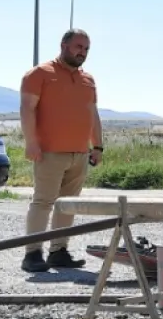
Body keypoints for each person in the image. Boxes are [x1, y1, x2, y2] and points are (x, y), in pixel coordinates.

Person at [19, 29, 102, 273]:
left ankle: (59, 251)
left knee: (68, 205)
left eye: (86, 49)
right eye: (78, 46)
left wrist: (97, 145)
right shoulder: (39, 74)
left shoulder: (88, 80)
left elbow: (92, 113)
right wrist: (31, 142)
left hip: (79, 153)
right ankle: (32, 253)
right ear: (64, 45)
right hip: (48, 153)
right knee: (43, 202)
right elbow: (27, 109)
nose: (82, 52)